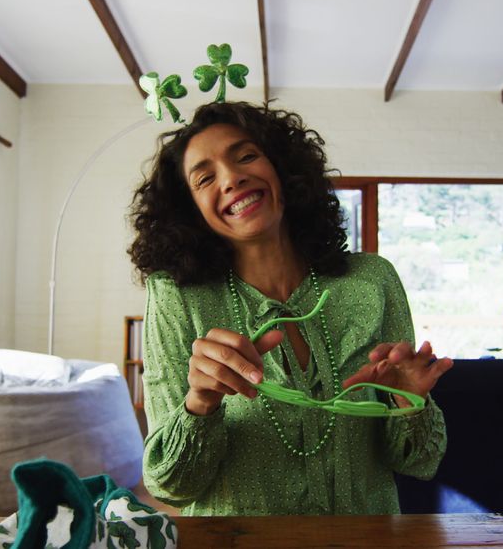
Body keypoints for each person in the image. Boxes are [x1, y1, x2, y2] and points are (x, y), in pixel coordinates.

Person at [127, 101, 453, 516]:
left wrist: (408, 401)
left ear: (282, 167)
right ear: (190, 210)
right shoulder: (177, 296)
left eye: (246, 156)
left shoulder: (373, 281)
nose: (231, 178)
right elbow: (171, 486)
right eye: (205, 178)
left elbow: (417, 462)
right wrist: (200, 403)